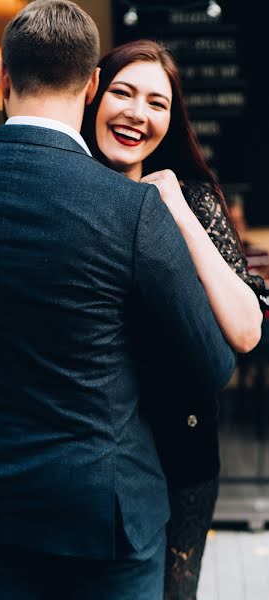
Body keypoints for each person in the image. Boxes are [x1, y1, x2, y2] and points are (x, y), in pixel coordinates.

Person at [0, 4, 236, 598]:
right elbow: (213, 363)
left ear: (2, 78)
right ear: (91, 87)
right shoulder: (132, 209)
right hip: (105, 516)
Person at [81, 40, 266, 599]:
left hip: (180, 452)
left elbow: (245, 330)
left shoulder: (190, 198)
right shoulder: (67, 192)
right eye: (122, 92)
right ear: (92, 95)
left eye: (157, 102)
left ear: (171, 117)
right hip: (91, 452)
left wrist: (180, 211)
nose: (138, 113)